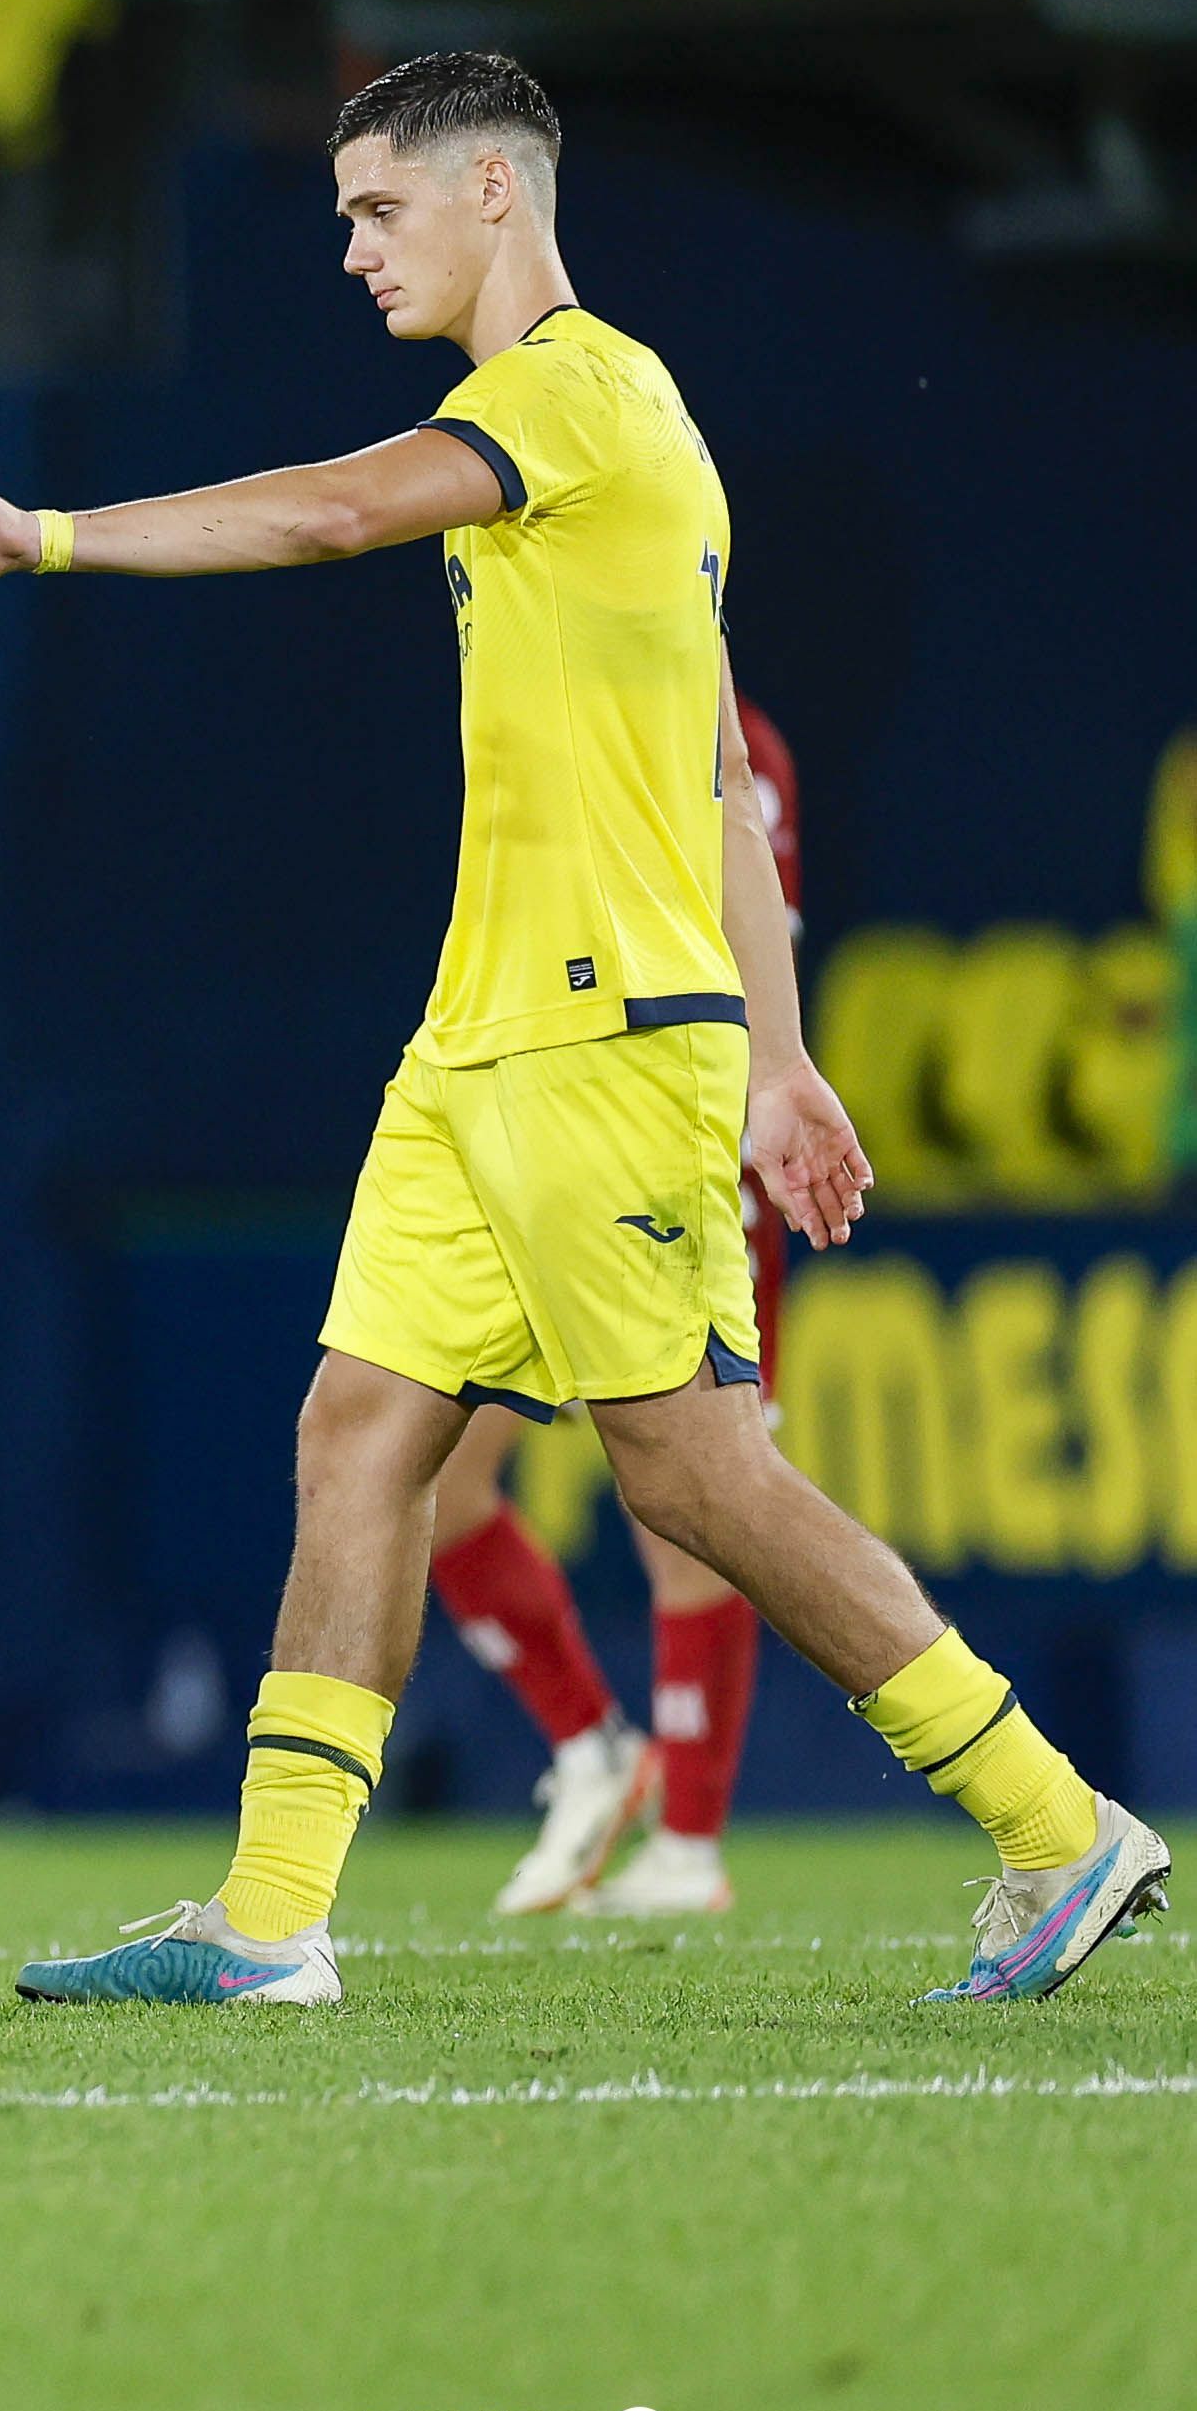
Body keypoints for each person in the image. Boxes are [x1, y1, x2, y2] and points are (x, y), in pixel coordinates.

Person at [0, 49, 1166, 2008]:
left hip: (594, 1042)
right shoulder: (600, 437)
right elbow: (724, 776)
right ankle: (268, 1915)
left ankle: (1056, 1827)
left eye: (371, 211)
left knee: (686, 1470)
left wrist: (43, 533)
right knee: (357, 1432)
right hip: (474, 1040)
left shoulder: (566, 395)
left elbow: (320, 517)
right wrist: (791, 1050)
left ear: (490, 189)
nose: (346, 250)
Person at [416, 696, 808, 1921]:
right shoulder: (550, 686)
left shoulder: (717, 730)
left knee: (695, 1493)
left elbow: (744, 948)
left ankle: (688, 1843)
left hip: (672, 1142)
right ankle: (591, 1746)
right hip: (541, 1132)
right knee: (419, 1477)